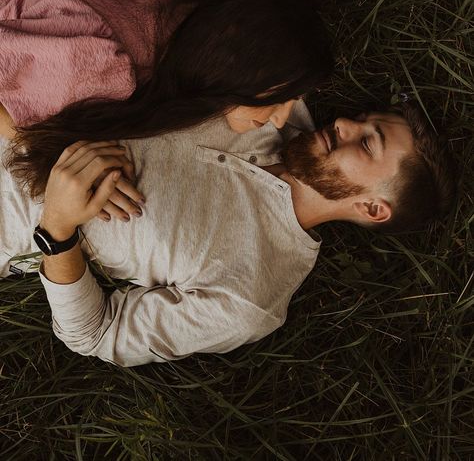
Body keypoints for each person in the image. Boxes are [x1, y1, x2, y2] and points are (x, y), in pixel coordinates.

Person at [1, 98, 454, 367]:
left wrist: (57, 230)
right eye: (363, 119)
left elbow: (96, 335)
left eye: (368, 143)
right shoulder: (277, 101)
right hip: (21, 80)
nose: (345, 124)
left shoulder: (251, 297)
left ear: (372, 208)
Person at [0, 0, 333, 214]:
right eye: (278, 97)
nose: (279, 119)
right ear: (235, 68)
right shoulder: (97, 66)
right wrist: (58, 151)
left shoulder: (194, 12)